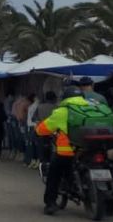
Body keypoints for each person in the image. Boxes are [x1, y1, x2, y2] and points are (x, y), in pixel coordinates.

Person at [35, 86, 87, 216]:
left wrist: (37, 131)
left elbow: (42, 129)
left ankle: (50, 204)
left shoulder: (61, 112)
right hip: (91, 149)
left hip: (68, 152)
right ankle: (108, 204)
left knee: (54, 175)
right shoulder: (92, 108)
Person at [30, 92, 57, 169]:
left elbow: (33, 118)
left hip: (42, 132)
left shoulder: (40, 107)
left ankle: (42, 165)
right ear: (54, 99)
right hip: (53, 132)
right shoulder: (57, 107)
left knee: (41, 149)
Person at [23, 94, 38, 166]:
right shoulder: (35, 105)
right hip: (34, 125)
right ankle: (33, 159)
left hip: (31, 126)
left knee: (31, 144)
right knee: (33, 144)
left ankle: (32, 160)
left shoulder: (32, 106)